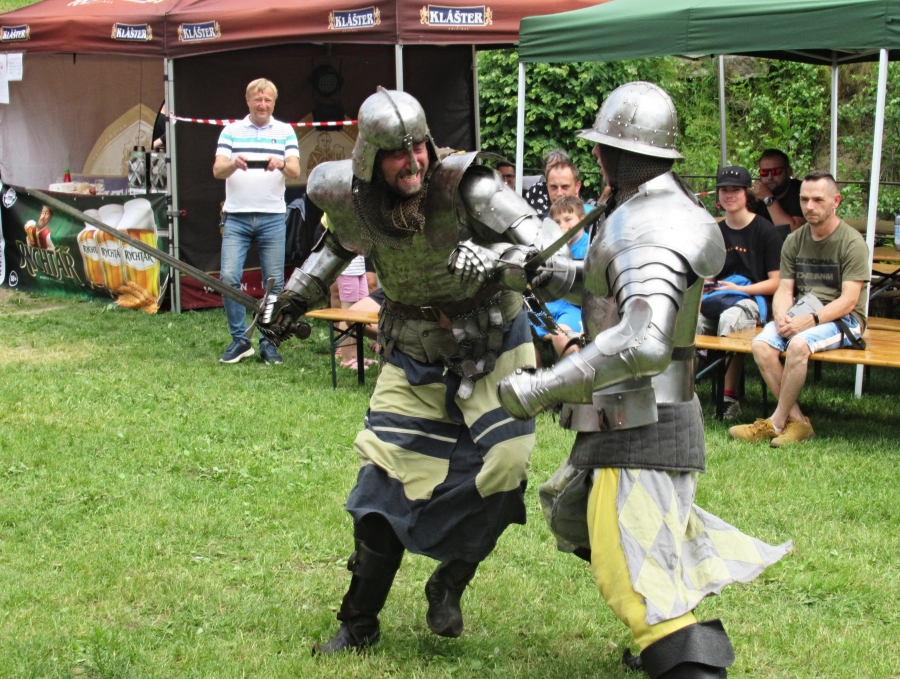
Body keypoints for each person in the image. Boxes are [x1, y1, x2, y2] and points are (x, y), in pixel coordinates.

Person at [261, 87, 575, 654]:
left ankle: (449, 581)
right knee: (381, 480)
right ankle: (359, 621)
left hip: (495, 344)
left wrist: (498, 261)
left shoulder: (470, 188)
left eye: (418, 148)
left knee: (504, 468)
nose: (412, 162)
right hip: (414, 351)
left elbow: (555, 258)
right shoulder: (352, 199)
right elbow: (333, 251)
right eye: (396, 153)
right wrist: (292, 299)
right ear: (369, 160)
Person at [496, 81, 791, 679]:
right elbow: (611, 286)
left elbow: (642, 340)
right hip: (633, 420)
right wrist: (548, 275)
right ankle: (662, 625)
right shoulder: (643, 208)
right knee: (587, 520)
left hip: (642, 425)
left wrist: (540, 387)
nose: (596, 157)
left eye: (603, 149)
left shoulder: (652, 221)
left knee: (631, 572)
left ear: (618, 155)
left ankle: (682, 654)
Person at [729, 171, 870, 447]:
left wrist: (810, 321)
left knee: (798, 345)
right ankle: (798, 423)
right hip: (803, 313)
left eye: (818, 200)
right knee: (761, 345)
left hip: (845, 319)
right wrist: (782, 316)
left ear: (836, 201)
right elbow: (784, 289)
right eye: (804, 200)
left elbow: (849, 300)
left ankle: (776, 422)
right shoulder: (794, 240)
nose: (809, 206)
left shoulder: (852, 242)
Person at [213, 78, 301, 364]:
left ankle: (268, 341)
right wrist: (233, 163)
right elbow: (217, 170)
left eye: (268, 100)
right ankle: (240, 340)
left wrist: (281, 164)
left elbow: (296, 171)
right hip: (236, 217)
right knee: (229, 277)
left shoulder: (285, 131)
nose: (263, 105)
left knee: (273, 284)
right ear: (248, 101)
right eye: (258, 99)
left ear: (274, 103)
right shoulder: (231, 131)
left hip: (272, 216)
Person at [697, 166, 782, 420]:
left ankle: (729, 398)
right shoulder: (715, 232)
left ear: (747, 194)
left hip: (754, 299)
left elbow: (777, 282)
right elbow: (709, 277)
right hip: (718, 296)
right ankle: (685, 394)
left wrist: (740, 289)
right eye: (724, 190)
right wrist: (701, 294)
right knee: (692, 321)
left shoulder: (765, 231)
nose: (729, 195)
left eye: (735, 190)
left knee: (730, 320)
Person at [533, 195, 589, 362]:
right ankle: (537, 374)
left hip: (575, 308)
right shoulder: (548, 247)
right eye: (556, 222)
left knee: (561, 336)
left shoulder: (590, 246)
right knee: (521, 332)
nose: (562, 226)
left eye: (568, 219)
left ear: (582, 220)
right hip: (549, 305)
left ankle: (574, 376)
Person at [748, 149, 805, 233]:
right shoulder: (758, 193)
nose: (769, 177)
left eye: (776, 171)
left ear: (789, 172)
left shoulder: (801, 191)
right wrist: (747, 198)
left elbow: (793, 231)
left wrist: (768, 198)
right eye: (764, 172)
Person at [523, 148, 570, 213]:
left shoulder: (571, 189)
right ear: (545, 170)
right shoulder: (536, 190)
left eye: (559, 167)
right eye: (551, 167)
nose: (554, 171)